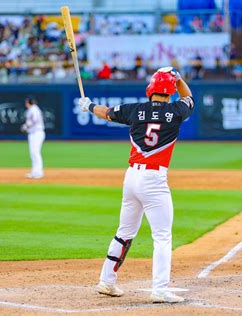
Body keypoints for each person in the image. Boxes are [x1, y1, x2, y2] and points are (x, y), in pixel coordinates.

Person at [78, 67, 194, 303]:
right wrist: (178, 78)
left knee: (124, 233)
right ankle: (160, 289)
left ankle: (107, 281)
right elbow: (189, 98)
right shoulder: (177, 111)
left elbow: (107, 112)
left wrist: (88, 106)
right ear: (169, 91)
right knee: (162, 236)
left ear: (150, 89)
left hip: (131, 178)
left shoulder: (135, 110)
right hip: (154, 180)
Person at [21, 96, 45, 179]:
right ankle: (35, 172)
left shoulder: (34, 109)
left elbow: (34, 120)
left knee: (35, 153)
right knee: (33, 153)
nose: (25, 104)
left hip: (37, 133)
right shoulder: (33, 109)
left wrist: (25, 126)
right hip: (33, 133)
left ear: (29, 102)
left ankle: (38, 172)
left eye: (26, 102)